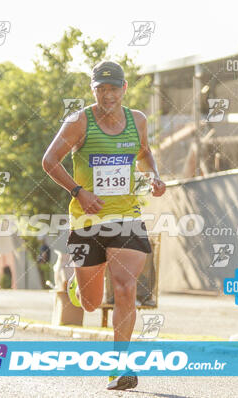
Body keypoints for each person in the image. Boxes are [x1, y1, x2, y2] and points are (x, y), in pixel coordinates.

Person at [42, 60, 166, 390]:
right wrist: (78, 192)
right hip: (86, 220)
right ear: (93, 89)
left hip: (126, 216)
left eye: (113, 88)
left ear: (124, 88)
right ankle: (75, 285)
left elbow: (144, 153)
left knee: (126, 289)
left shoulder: (137, 120)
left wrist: (152, 175)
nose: (107, 95)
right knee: (91, 302)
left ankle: (119, 366)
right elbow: (49, 161)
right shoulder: (78, 122)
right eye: (101, 89)